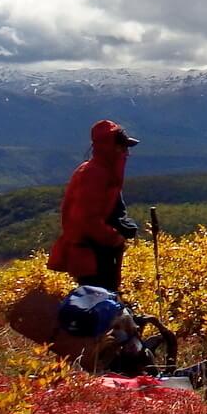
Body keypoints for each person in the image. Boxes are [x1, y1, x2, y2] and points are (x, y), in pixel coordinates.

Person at [48, 119, 140, 293]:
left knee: (100, 304)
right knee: (99, 307)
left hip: (94, 255)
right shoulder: (95, 174)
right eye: (123, 147)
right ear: (111, 147)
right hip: (94, 257)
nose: (126, 153)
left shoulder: (97, 170)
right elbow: (87, 219)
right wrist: (114, 238)